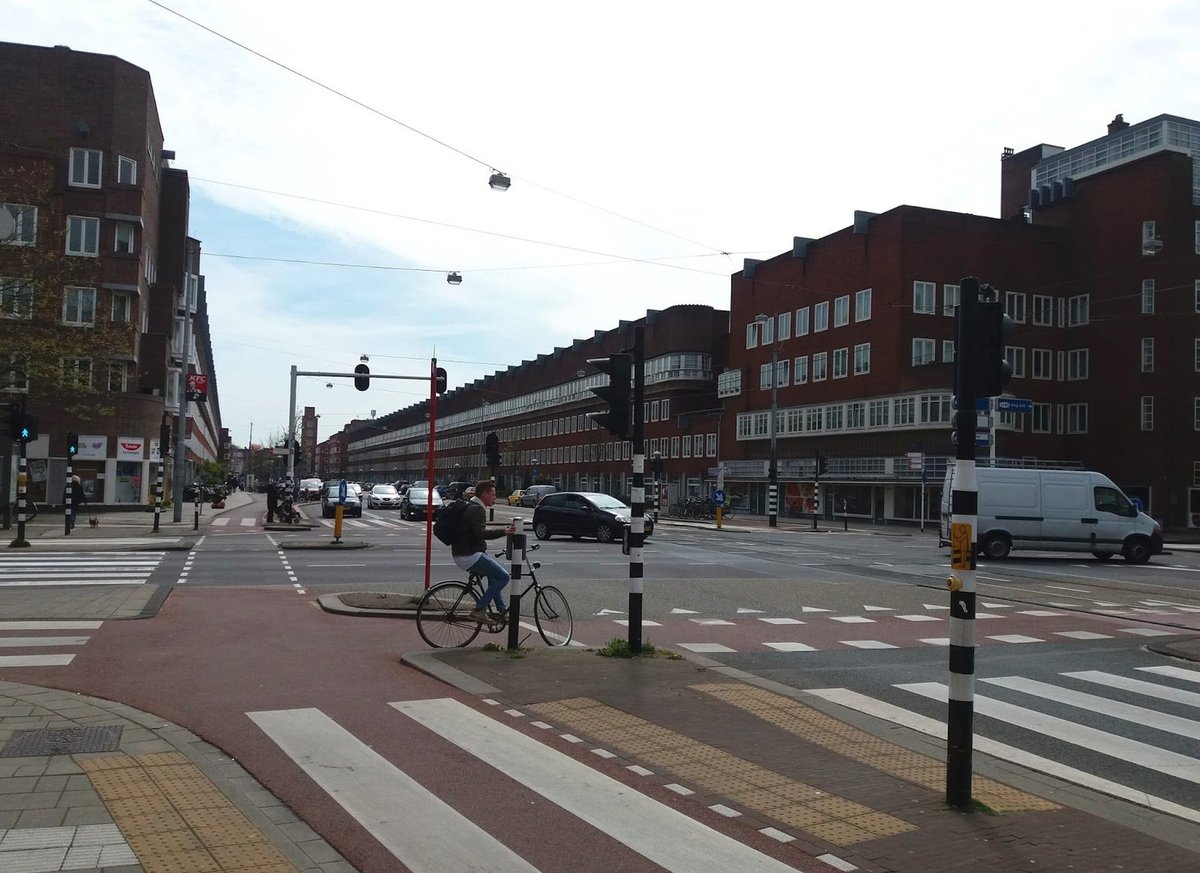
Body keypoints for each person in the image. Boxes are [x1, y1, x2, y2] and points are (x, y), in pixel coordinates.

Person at [450, 480, 513, 623]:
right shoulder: (477, 509)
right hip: (469, 555)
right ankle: (479, 610)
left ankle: (501, 610)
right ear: (484, 494)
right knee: (504, 577)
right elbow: (480, 533)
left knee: (493, 576)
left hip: (464, 553)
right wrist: (504, 531)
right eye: (493, 494)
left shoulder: (470, 506)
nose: (495, 498)